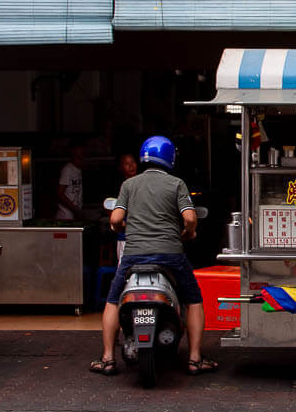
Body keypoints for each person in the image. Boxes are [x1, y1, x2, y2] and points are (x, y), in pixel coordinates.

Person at [89, 136, 217, 376]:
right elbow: (190, 218)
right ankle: (195, 358)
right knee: (193, 298)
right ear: (170, 158)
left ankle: (107, 358)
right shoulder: (176, 184)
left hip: (133, 255)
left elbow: (115, 219)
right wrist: (189, 233)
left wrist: (120, 230)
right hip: (171, 254)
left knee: (113, 300)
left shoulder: (129, 185)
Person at [55, 146, 85, 222]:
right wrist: (74, 209)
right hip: (65, 216)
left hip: (74, 215)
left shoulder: (78, 170)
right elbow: (60, 193)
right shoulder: (67, 170)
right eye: (78, 157)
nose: (81, 159)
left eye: (82, 156)